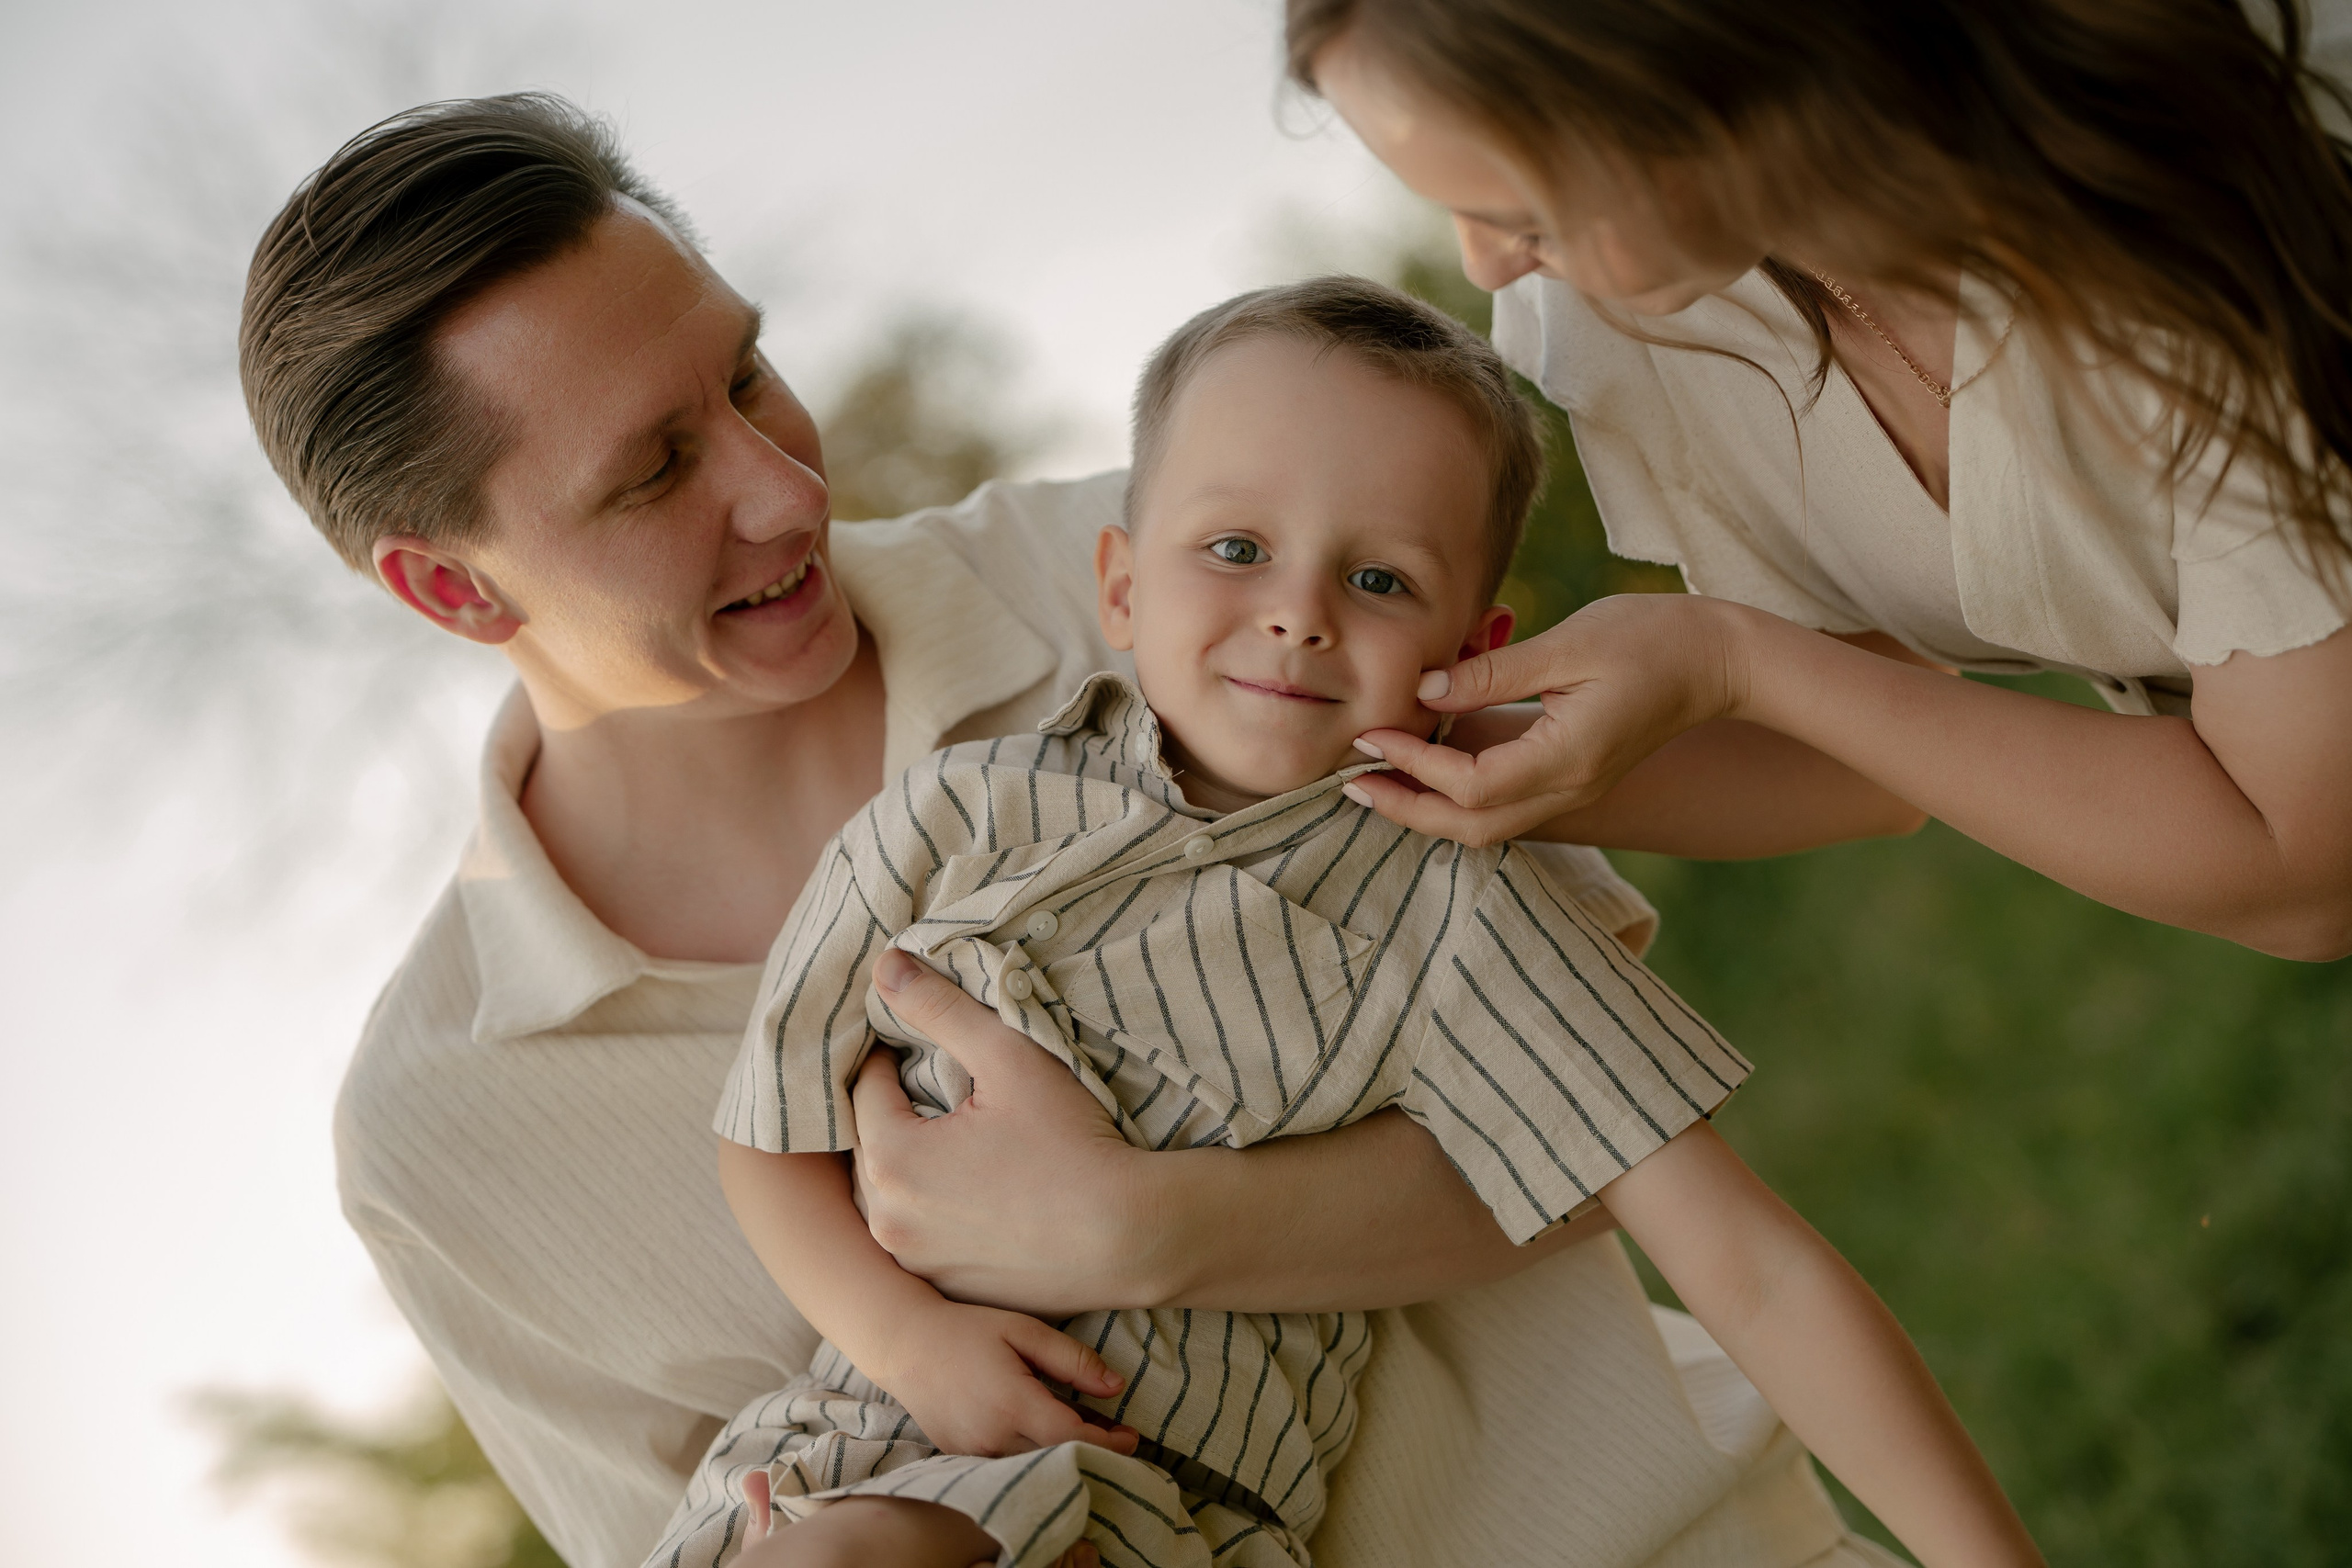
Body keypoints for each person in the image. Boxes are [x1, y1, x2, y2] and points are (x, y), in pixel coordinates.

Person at [244, 96, 1924, 1568]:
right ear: (451, 586)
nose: (785, 488)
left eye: (749, 373)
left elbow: (1602, 1145)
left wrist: (1159, 1226)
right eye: (656, 470)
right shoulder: (441, 1130)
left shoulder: (1148, 582)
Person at [646, 277, 2041, 1568]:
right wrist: (905, 1336)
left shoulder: (1468, 916)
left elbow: (1754, 1268)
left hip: (1165, 1512)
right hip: (862, 1453)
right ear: (1122, 585)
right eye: (1238, 548)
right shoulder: (959, 812)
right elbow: (766, 1133)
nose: (1299, 615)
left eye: (1378, 580)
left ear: (1470, 652)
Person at [1277, 0, 2352, 962]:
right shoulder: (1626, 310)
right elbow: (1872, 755)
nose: (1486, 265)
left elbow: (2307, 872)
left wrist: (1733, 659)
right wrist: (1356, 742)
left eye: (1517, 202)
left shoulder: (2185, 196)